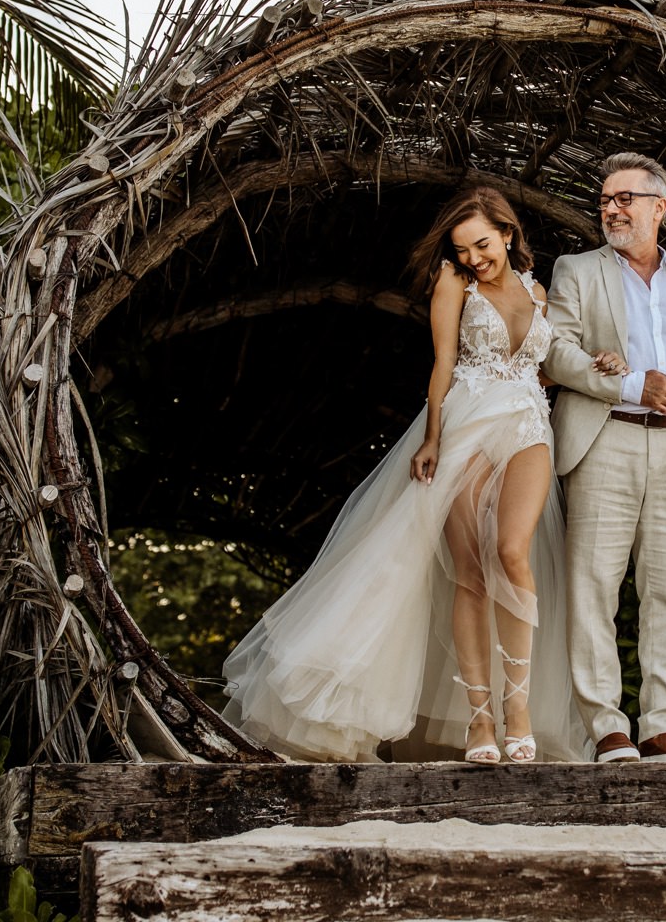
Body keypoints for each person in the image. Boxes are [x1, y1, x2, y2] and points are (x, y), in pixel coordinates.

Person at [220, 187, 612, 763]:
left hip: (529, 426)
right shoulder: (457, 284)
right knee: (471, 571)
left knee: (511, 553)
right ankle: (481, 722)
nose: (475, 257)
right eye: (464, 249)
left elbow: (539, 369)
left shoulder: (538, 290)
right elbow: (445, 362)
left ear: (507, 233)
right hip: (467, 425)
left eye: (483, 244)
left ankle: (518, 710)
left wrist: (600, 363)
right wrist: (432, 439)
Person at [543, 153, 666, 763]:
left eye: (624, 198)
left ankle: (659, 723)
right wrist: (630, 386)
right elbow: (555, 353)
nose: (611, 209)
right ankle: (607, 727)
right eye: (605, 200)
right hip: (606, 435)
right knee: (594, 585)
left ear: (660, 206)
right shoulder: (576, 270)